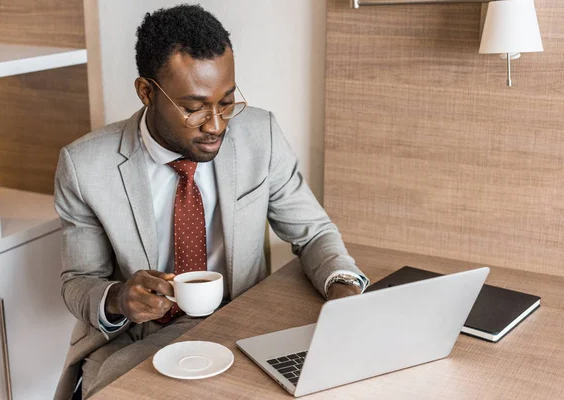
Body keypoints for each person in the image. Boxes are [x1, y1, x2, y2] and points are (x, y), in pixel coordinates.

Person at [53, 4, 369, 399]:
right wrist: (119, 298)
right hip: (136, 341)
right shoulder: (85, 166)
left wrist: (344, 291)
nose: (216, 125)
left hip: (240, 328)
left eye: (226, 102)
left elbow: (313, 232)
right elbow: (78, 281)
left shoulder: (261, 136)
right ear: (147, 92)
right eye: (194, 108)